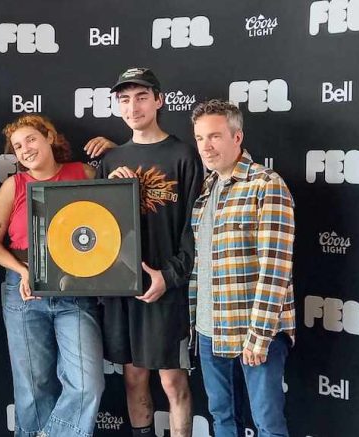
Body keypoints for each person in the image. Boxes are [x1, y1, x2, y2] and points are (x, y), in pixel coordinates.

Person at [0, 114, 112, 437]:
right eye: (17, 146)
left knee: (87, 383)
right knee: (33, 387)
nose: (25, 149)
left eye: (30, 139)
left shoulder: (82, 173)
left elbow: (115, 207)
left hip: (75, 289)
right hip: (24, 289)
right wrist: (21, 270)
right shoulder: (13, 186)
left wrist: (116, 152)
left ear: (49, 138)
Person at [97, 67, 203, 437]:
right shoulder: (110, 161)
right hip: (123, 292)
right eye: (124, 99)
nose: (133, 106)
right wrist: (107, 192)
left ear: (159, 100)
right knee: (133, 378)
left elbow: (197, 228)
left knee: (173, 383)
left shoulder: (184, 155)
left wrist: (170, 276)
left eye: (142, 97)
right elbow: (96, 232)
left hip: (167, 290)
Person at [190, 99, 295, 437]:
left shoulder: (266, 184)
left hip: (253, 331)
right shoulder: (206, 191)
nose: (206, 146)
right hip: (209, 329)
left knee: (267, 424)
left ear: (237, 137)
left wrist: (260, 335)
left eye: (215, 136)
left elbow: (276, 267)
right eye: (200, 138)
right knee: (221, 418)